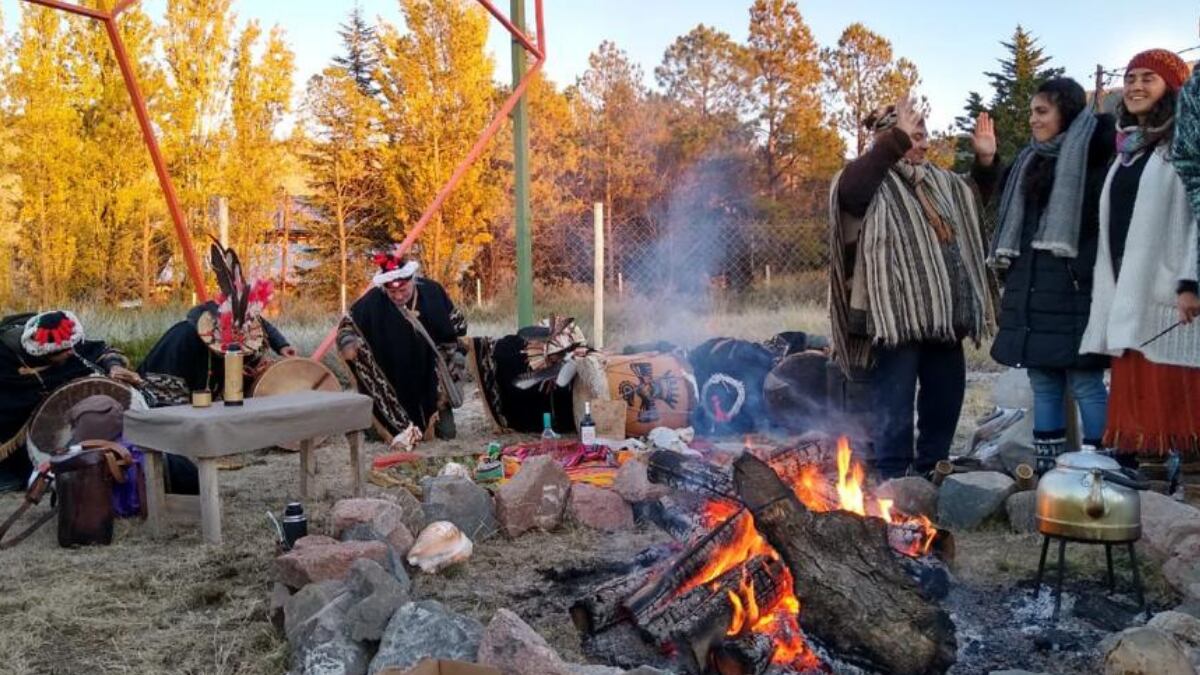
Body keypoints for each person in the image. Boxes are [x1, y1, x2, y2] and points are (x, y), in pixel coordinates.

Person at [829, 94, 997, 478]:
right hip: (896, 314)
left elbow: (972, 201)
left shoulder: (940, 181)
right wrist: (894, 144)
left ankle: (933, 469)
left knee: (945, 394)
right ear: (890, 138)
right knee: (895, 399)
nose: (922, 143)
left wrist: (985, 163)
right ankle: (893, 475)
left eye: (924, 136)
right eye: (914, 136)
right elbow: (850, 195)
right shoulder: (869, 179)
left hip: (945, 311)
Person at [976, 78, 1117, 473]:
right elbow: (997, 203)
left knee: (1087, 383)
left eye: (1042, 111)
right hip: (1032, 292)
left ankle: (1099, 473)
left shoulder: (1094, 159)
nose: (1033, 120)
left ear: (1066, 113)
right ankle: (1051, 477)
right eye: (1032, 112)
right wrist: (988, 162)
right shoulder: (1027, 161)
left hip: (1076, 292)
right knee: (1044, 386)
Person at [1080, 49, 1200, 466]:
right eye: (1131, 78)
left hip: (1174, 303)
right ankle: (1151, 516)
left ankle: (1189, 516)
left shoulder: (1185, 147)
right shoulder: (1127, 151)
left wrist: (1191, 281)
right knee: (1142, 427)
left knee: (1185, 421)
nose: (1134, 86)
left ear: (1173, 87)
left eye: (1148, 77)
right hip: (1130, 303)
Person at [338, 254, 467, 447]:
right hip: (393, 373)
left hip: (431, 373)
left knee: (448, 434)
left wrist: (455, 354)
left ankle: (434, 417)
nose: (398, 296)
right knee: (377, 434)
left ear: (413, 281)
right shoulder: (372, 302)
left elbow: (458, 325)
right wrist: (348, 342)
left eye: (403, 290)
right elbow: (347, 325)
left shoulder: (433, 292)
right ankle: (380, 426)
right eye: (392, 292)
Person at [0, 310, 138, 490]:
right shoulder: (7, 359)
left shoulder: (64, 339)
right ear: (44, 353)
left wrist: (114, 366)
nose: (72, 352)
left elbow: (98, 350)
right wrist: (39, 396)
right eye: (64, 351)